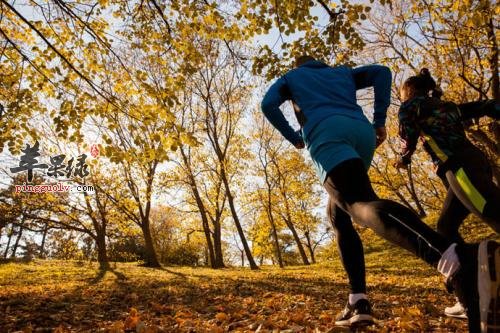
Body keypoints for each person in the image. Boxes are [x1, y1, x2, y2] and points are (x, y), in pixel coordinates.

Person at [260, 55, 499, 332]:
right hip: (361, 133)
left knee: (358, 203)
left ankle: (456, 260)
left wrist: (294, 137)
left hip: (327, 133)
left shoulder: (293, 77)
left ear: (298, 65)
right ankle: (358, 300)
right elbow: (381, 73)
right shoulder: (341, 73)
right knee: (338, 213)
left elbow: (268, 104)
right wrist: (379, 120)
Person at [395, 68, 500, 319]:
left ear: (407, 92)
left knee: (494, 214)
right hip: (470, 164)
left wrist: (402, 159)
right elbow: (485, 106)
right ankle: (470, 294)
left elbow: (407, 139)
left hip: (460, 168)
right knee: (446, 228)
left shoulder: (410, 107)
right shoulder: (446, 106)